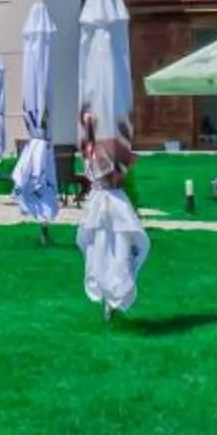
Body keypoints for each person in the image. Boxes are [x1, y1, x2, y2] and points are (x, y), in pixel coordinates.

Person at [74, 103, 150, 323]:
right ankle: (112, 296)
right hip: (110, 202)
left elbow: (121, 166)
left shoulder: (93, 147)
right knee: (111, 249)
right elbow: (124, 166)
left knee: (110, 248)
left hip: (103, 203)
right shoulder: (103, 147)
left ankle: (112, 297)